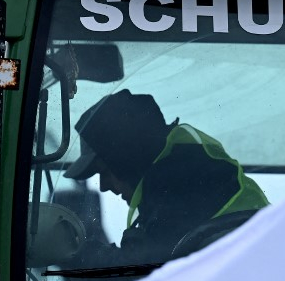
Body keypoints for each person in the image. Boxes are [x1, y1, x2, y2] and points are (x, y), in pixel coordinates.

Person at [64, 90, 268, 265]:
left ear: (125, 160)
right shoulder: (187, 173)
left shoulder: (185, 181)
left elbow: (144, 265)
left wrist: (75, 252)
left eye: (105, 172)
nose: (103, 186)